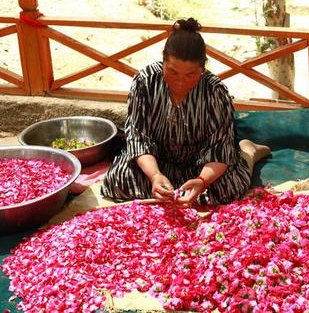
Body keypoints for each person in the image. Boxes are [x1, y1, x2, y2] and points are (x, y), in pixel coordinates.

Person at [102, 18, 270, 207]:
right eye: (172, 72)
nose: (180, 82)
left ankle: (248, 153)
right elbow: (138, 138)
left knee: (229, 188)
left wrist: (202, 181)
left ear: (202, 68)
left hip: (200, 164)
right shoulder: (145, 82)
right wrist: (155, 176)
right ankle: (163, 184)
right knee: (117, 182)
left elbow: (219, 149)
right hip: (158, 160)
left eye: (190, 75)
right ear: (163, 61)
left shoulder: (215, 92)